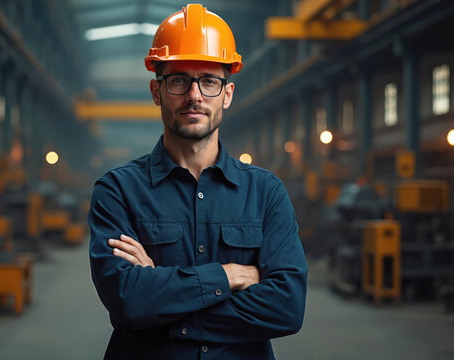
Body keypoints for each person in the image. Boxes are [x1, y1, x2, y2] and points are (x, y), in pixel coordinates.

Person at [88, 4, 308, 359]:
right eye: (178, 80)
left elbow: (287, 307)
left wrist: (163, 299)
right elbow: (128, 301)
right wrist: (229, 276)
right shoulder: (118, 191)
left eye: (209, 81)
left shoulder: (266, 192)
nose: (194, 95)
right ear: (156, 91)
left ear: (228, 93)